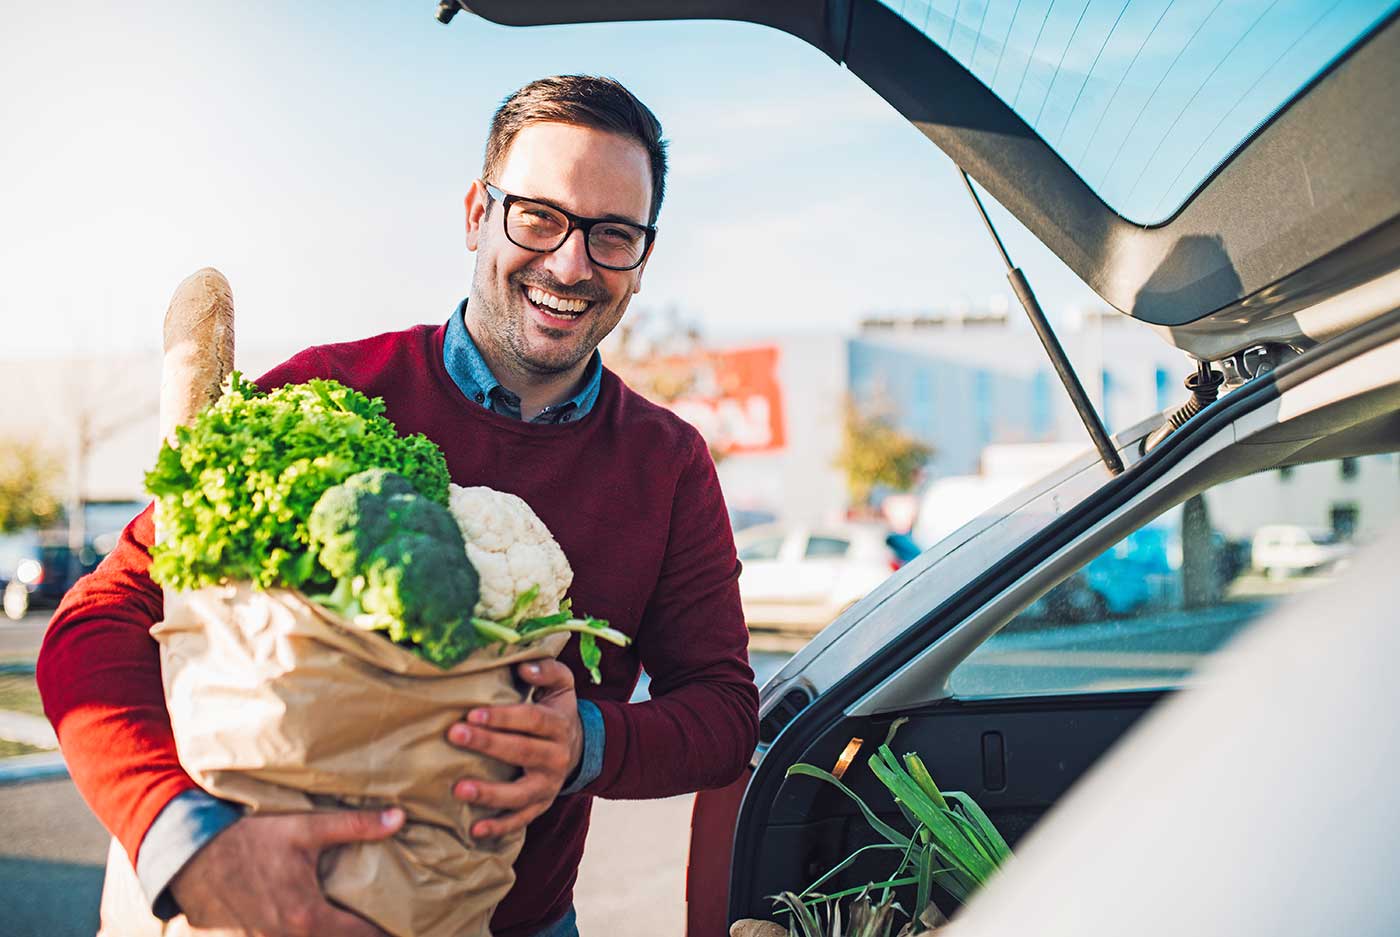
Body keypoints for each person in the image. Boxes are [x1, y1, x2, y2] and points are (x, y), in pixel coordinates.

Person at [37, 75, 760, 937]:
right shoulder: (324, 394)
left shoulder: (668, 463)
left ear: (643, 260)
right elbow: (99, 617)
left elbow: (722, 712)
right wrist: (184, 840)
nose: (570, 264)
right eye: (538, 216)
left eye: (613, 235)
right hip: (272, 908)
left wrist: (586, 745)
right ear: (475, 214)